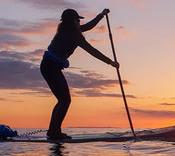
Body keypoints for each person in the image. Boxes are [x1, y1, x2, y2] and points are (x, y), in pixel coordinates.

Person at [40, 8, 119, 139]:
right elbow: (92, 50)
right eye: (77, 20)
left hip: (48, 66)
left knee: (62, 100)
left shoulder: (66, 30)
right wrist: (110, 62)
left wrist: (101, 15)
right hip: (50, 67)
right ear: (73, 21)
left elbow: (88, 26)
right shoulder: (74, 35)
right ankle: (54, 132)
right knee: (65, 100)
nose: (79, 22)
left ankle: (53, 131)